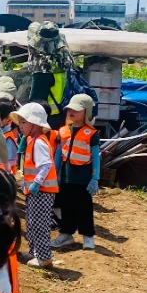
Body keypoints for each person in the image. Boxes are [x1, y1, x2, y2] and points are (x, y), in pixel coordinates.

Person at [10, 103, 58, 270]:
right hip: (34, 191)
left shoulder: (39, 143)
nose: (20, 126)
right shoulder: (32, 140)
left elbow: (46, 166)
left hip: (42, 191)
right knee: (31, 222)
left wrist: (37, 183)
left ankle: (44, 258)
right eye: (20, 122)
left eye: (24, 122)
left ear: (35, 124)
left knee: (39, 224)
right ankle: (34, 252)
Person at [51, 94, 100, 251]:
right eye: (69, 109)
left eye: (76, 110)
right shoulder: (63, 131)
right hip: (66, 176)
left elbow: (96, 157)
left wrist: (95, 178)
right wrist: (55, 173)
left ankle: (88, 236)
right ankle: (66, 234)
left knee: (84, 207)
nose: (71, 112)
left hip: (83, 178)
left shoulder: (92, 133)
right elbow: (59, 153)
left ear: (86, 112)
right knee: (66, 206)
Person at [0, 103, 19, 175]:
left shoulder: (8, 138)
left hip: (6, 177)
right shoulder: (0, 134)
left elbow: (10, 163)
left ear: (8, 118)